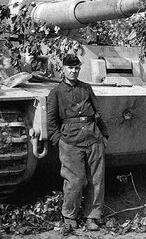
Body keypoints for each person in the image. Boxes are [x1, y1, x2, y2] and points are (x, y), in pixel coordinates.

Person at [47, 54, 109, 230]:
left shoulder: (86, 88)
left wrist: (104, 135)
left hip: (93, 138)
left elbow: (97, 113)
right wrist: (59, 141)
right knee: (75, 180)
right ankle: (69, 215)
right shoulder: (56, 93)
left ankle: (92, 216)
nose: (73, 71)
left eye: (76, 68)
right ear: (64, 69)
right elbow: (51, 123)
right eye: (70, 68)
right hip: (70, 141)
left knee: (96, 180)